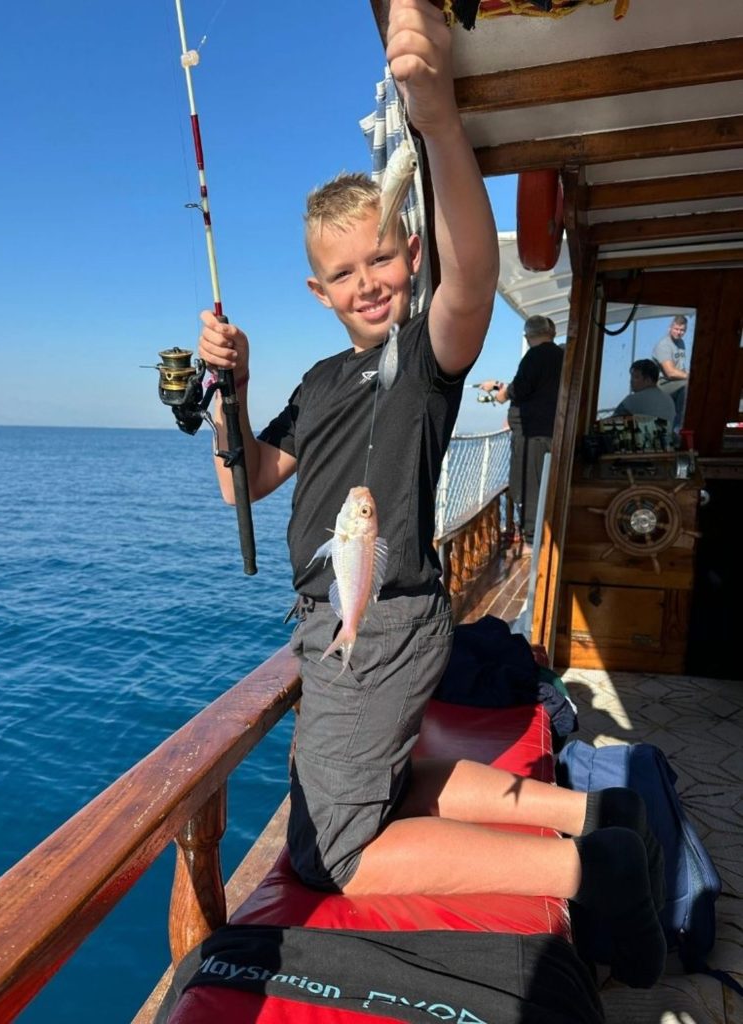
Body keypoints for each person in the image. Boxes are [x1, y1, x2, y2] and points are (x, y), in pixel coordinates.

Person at [198, 0, 665, 988]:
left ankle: (595, 872)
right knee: (393, 780)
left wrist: (439, 120)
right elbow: (249, 475)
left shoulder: (420, 359)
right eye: (343, 271)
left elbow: (472, 283)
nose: (367, 280)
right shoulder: (318, 382)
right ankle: (594, 813)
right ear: (318, 292)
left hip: (379, 629)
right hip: (343, 628)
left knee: (331, 853)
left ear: (410, 255)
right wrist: (222, 396)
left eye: (382, 256)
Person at [479, 315, 563, 545]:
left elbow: (521, 388)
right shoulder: (560, 356)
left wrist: (502, 394)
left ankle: (532, 538)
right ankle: (544, 532)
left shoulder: (534, 356)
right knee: (543, 484)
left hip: (532, 434)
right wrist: (500, 385)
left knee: (529, 486)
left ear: (528, 335)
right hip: (551, 431)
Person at [612, 358, 676, 441]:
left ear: (648, 380)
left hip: (640, 446)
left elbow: (612, 424)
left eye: (636, 377)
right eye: (631, 377)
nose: (631, 381)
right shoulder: (669, 399)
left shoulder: (633, 400)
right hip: (666, 445)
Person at [652, 314, 689, 433]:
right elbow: (670, 372)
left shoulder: (681, 343)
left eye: (682, 330)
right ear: (670, 328)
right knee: (687, 385)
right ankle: (677, 430)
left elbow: (681, 368)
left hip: (676, 382)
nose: (679, 332)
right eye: (676, 329)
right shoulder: (664, 345)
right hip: (663, 383)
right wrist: (689, 376)